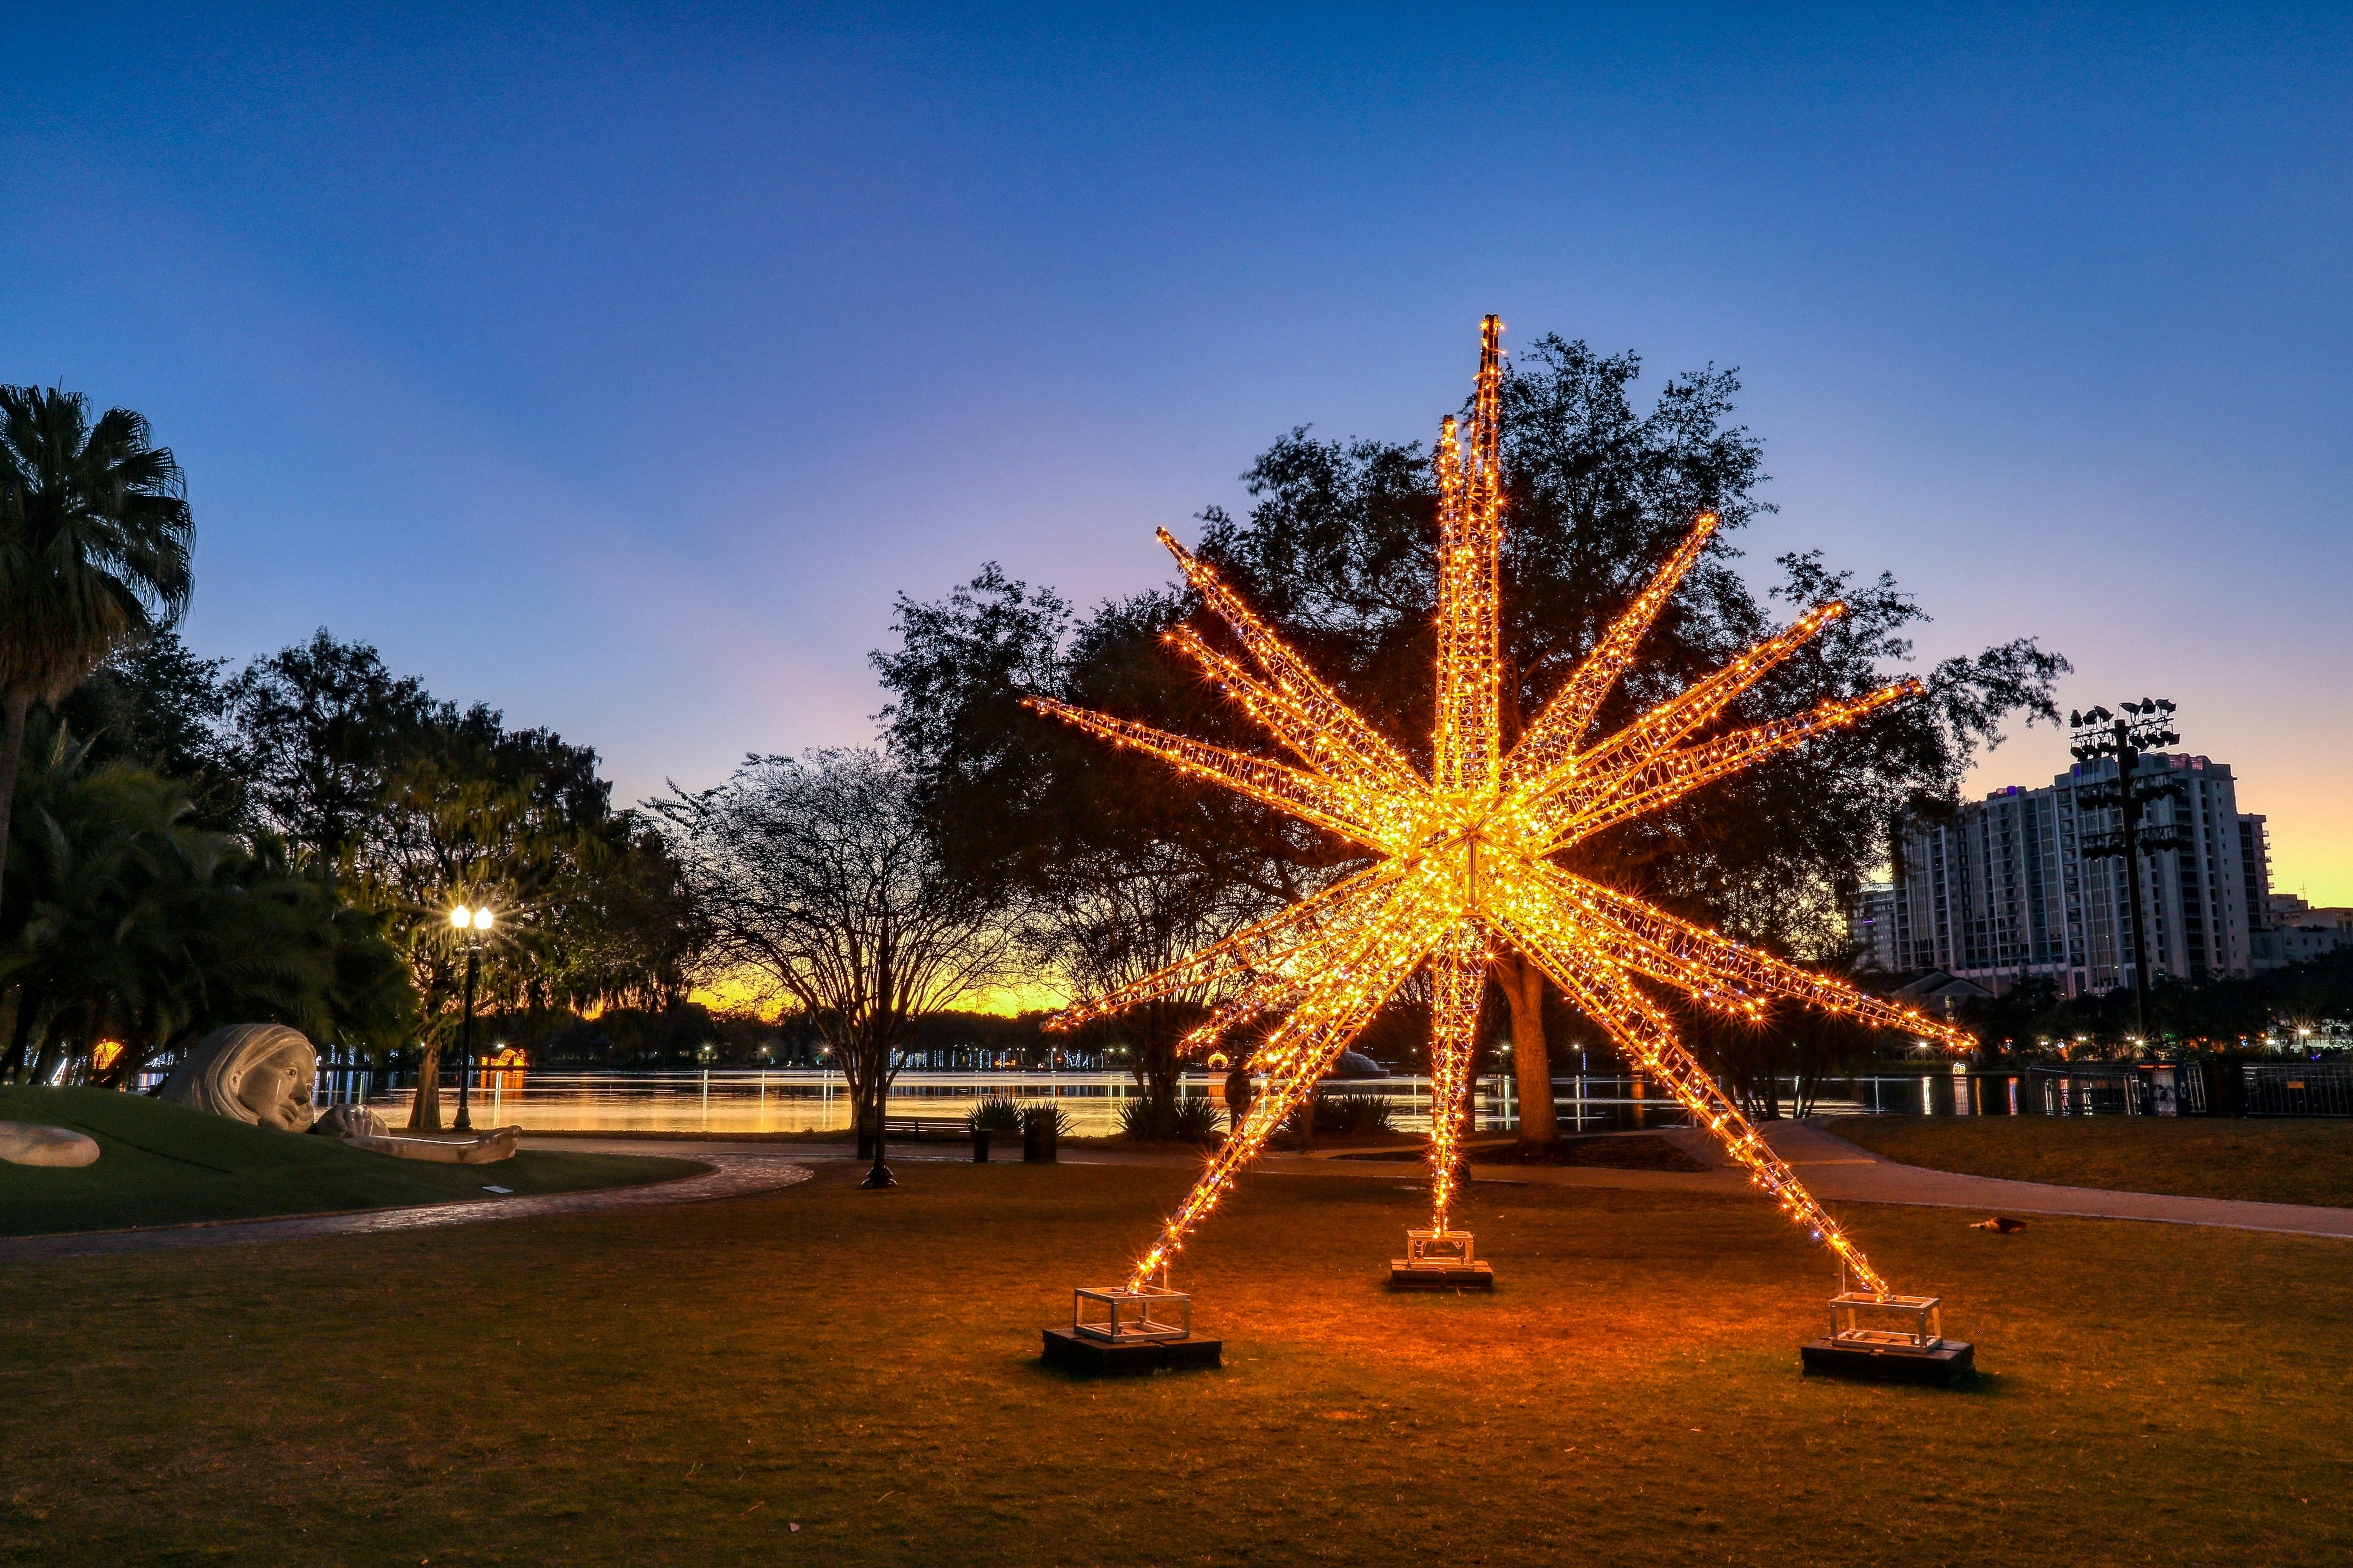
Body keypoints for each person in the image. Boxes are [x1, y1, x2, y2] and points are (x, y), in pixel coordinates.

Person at [1223, 1064, 1254, 1134]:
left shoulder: (1231, 1078)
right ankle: (1240, 1136)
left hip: (1234, 1102)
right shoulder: (1244, 1078)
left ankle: (1233, 1136)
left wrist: (1229, 1100)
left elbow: (1227, 1090)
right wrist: (1248, 1102)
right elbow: (1248, 1091)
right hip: (1241, 1102)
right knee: (1241, 1121)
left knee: (1234, 1121)